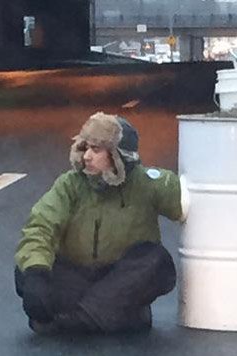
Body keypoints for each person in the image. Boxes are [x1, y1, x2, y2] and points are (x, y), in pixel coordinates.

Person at [14, 112, 183, 335]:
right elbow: (40, 226)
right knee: (27, 270)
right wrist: (36, 274)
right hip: (80, 277)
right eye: (85, 148)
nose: (86, 157)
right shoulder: (70, 184)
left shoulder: (147, 183)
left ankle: (78, 321)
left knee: (155, 261)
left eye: (96, 149)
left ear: (118, 155)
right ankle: (114, 316)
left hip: (120, 277)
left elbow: (187, 206)